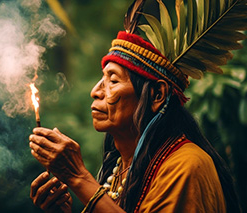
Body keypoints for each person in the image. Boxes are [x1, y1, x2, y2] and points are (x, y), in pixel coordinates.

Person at [29, 1, 244, 212]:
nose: (95, 91)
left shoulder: (187, 165)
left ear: (157, 95)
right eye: (102, 79)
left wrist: (79, 178)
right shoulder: (120, 171)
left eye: (113, 81)